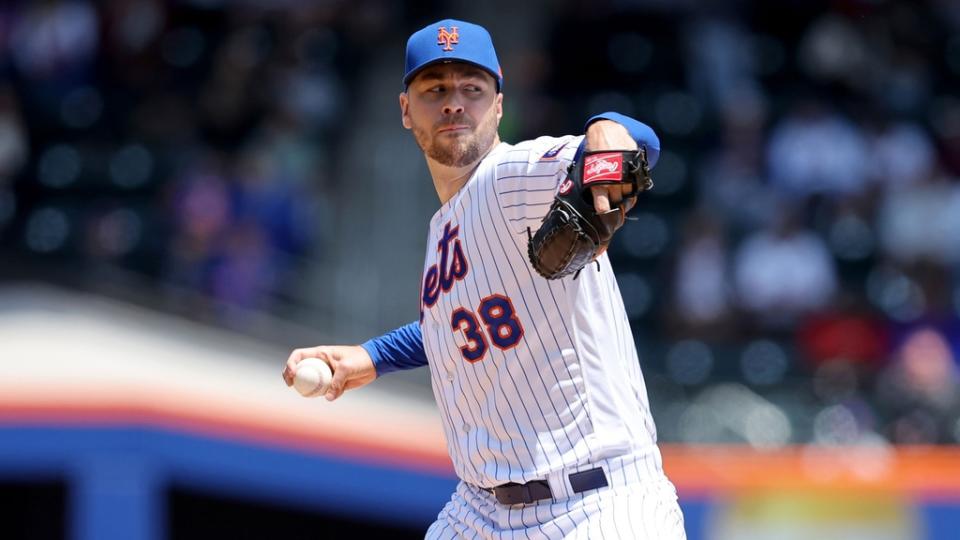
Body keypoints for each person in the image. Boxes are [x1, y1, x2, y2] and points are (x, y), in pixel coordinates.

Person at [282, 19, 685, 539]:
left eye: (472, 89)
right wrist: (373, 357)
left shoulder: (510, 176)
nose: (454, 103)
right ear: (406, 110)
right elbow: (460, 320)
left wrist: (607, 127)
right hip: (480, 511)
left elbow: (630, 147)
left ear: (498, 104)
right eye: (435, 90)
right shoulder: (444, 227)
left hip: (595, 506)